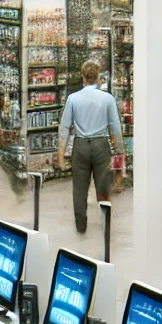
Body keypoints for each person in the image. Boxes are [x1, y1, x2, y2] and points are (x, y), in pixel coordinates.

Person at [57, 59, 125, 234]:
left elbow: (65, 127)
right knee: (103, 184)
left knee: (80, 187)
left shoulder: (73, 99)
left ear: (83, 77)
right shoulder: (107, 98)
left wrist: (61, 154)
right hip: (101, 144)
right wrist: (119, 155)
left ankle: (81, 225)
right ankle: (106, 221)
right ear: (98, 78)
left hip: (80, 145)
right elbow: (115, 129)